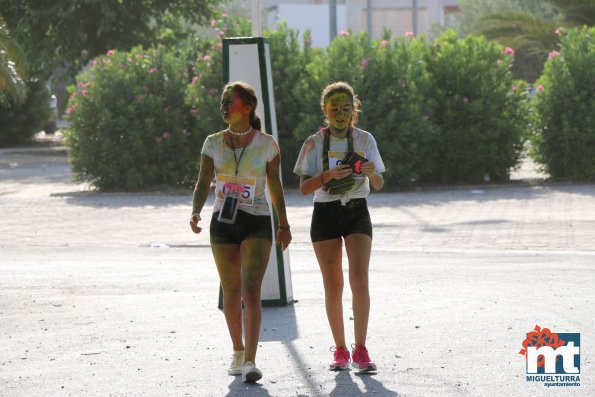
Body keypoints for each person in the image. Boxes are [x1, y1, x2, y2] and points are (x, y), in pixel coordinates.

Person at [190, 81, 292, 383]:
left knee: (251, 289)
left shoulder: (267, 144)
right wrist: (195, 211)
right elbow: (202, 183)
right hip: (223, 221)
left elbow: (275, 186)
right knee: (231, 289)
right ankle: (237, 350)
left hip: (256, 220)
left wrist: (284, 224)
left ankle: (250, 359)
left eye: (229, 101)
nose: (223, 106)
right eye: (221, 101)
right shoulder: (212, 142)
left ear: (247, 107)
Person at [293, 81, 385, 373]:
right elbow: (303, 188)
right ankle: (340, 350)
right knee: (333, 284)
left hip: (357, 210)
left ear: (354, 109)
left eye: (346, 108)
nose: (341, 113)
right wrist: (329, 175)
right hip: (325, 213)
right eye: (335, 108)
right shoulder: (313, 143)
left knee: (360, 280)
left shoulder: (365, 140)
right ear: (325, 110)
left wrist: (371, 173)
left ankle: (361, 349)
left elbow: (380, 183)